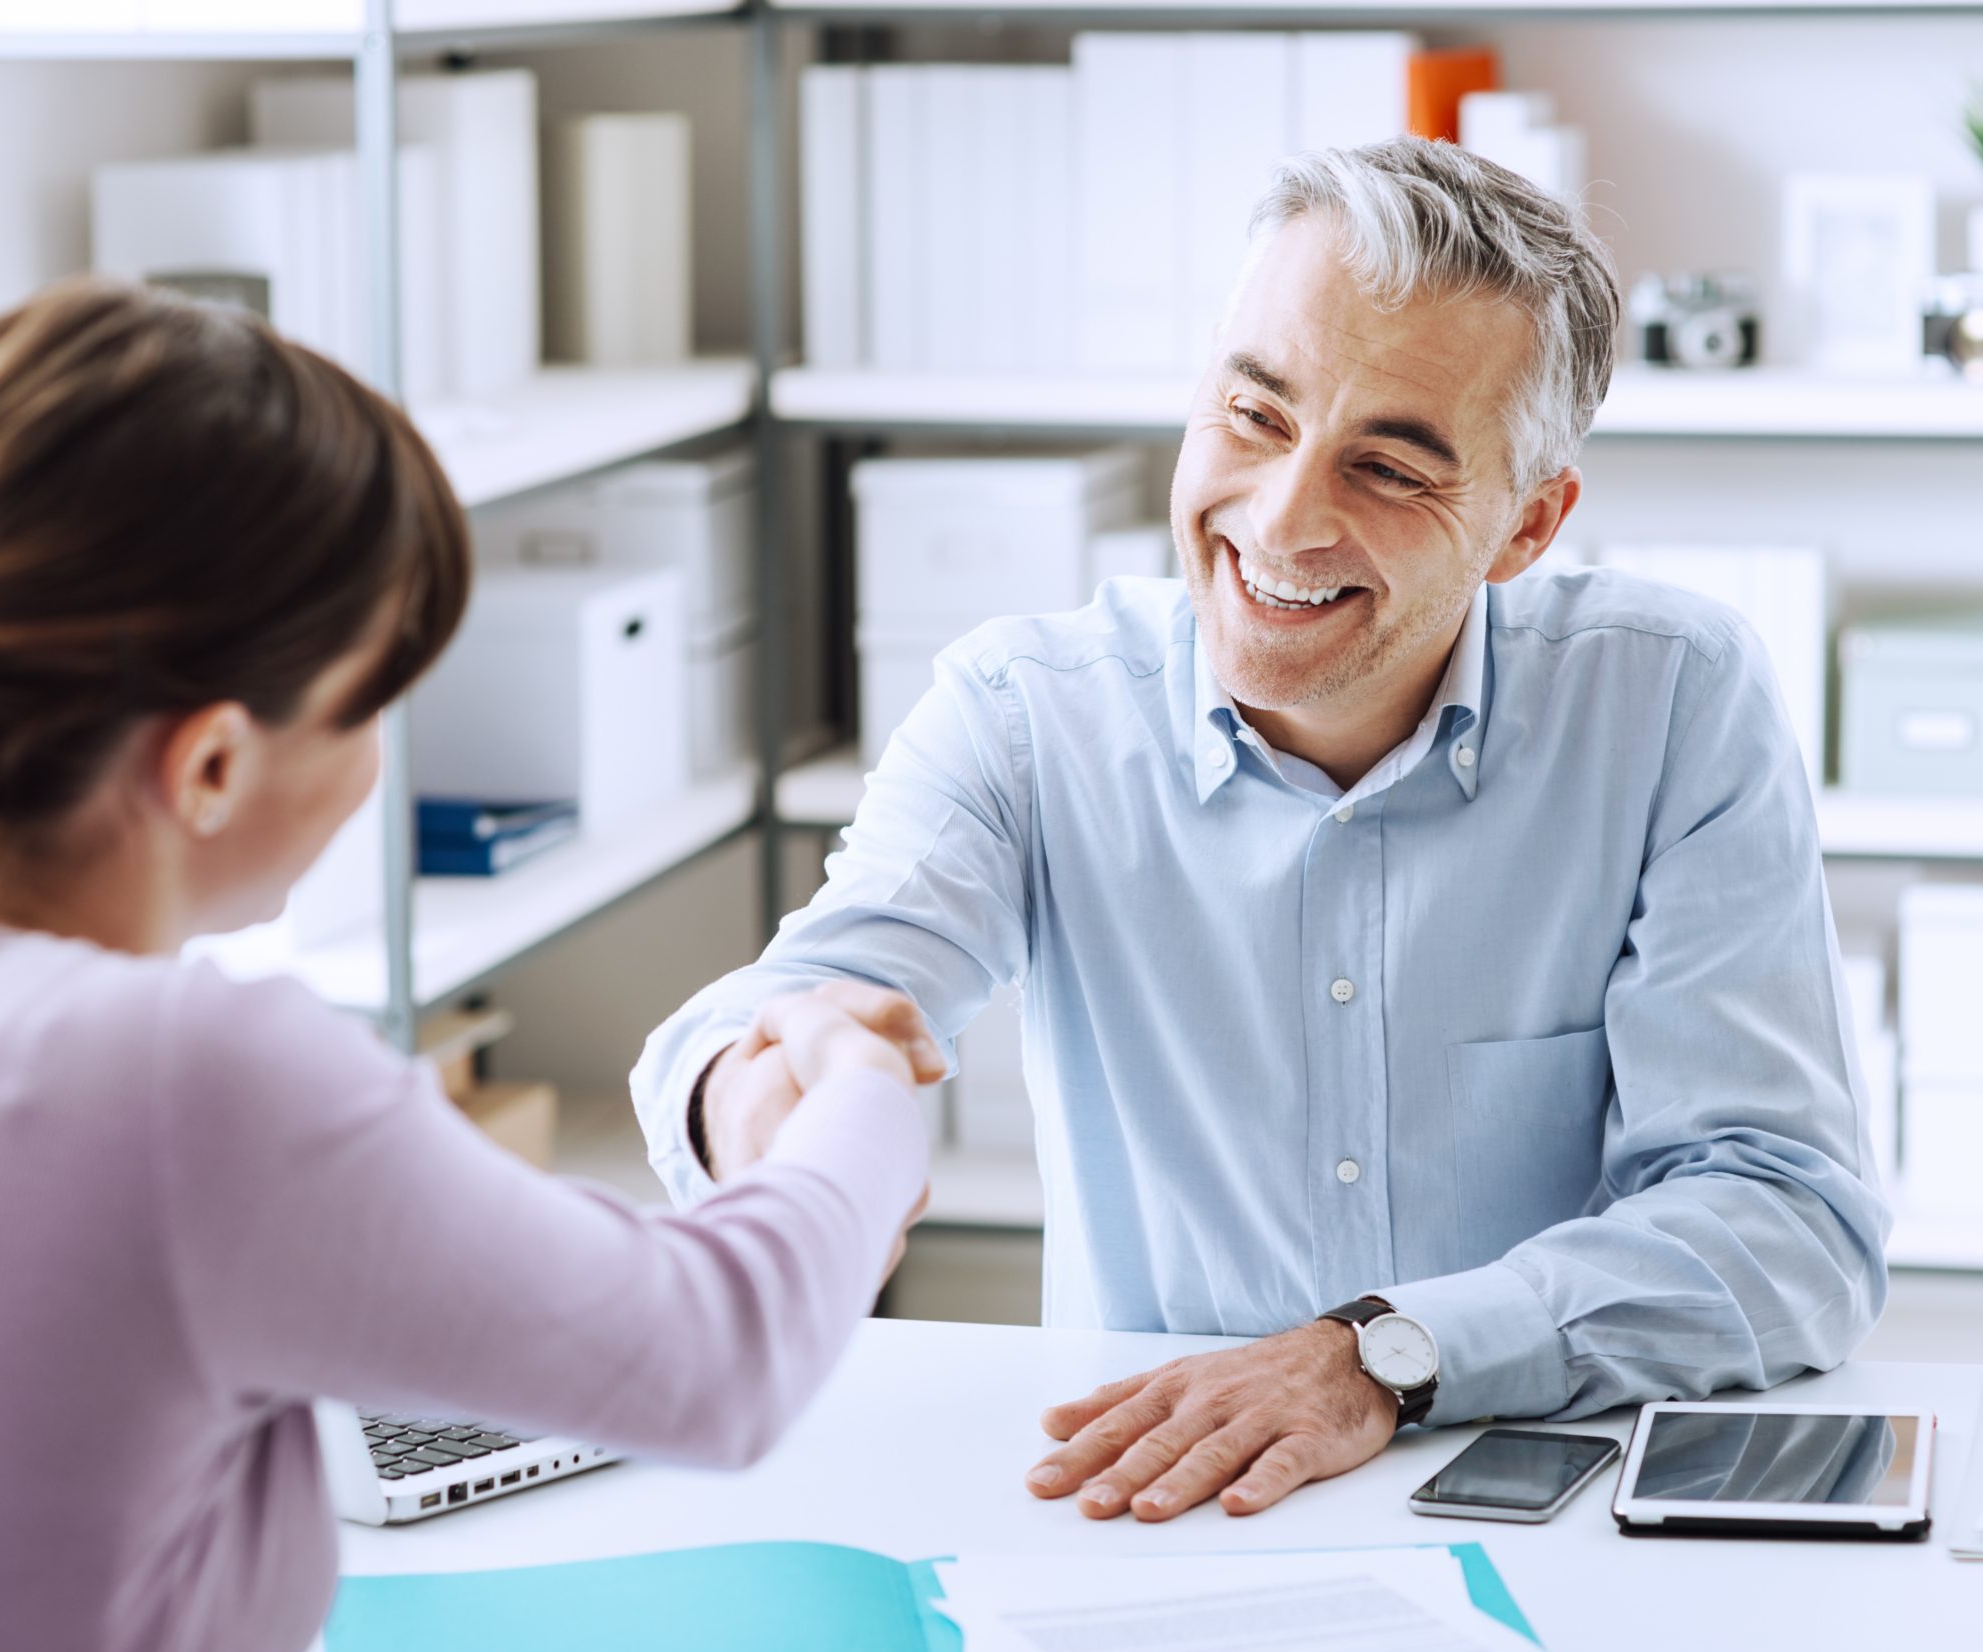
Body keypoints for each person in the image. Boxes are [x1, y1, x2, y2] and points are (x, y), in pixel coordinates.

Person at [0, 279, 933, 1652]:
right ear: (211, 764)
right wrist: (861, 1085)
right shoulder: (178, 1079)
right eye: (370, 701)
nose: (383, 757)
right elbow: (725, 1356)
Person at [635, 138, 1890, 1525]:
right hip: (1153, 1507)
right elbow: (794, 1007)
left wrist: (1383, 1357)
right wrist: (755, 1094)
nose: (1284, 519)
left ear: (1527, 525)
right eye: (1254, 415)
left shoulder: (1670, 700)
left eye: (1390, 468)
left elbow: (1791, 1225)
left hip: (1536, 1505)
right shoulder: (1028, 712)